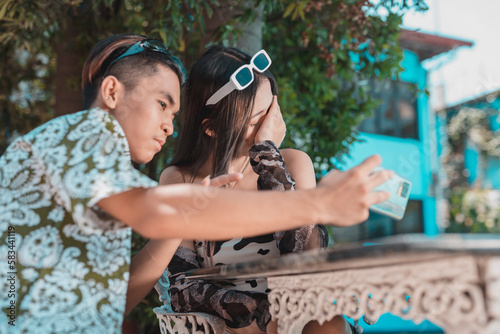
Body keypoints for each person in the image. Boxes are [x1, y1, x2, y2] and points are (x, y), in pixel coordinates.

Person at [0, 33, 392, 334]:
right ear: (112, 91)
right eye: (161, 104)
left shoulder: (86, 160)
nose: (170, 126)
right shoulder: (75, 144)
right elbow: (158, 214)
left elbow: (114, 299)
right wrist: (320, 204)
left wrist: (186, 216)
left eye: (173, 110)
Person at [148, 45, 357, 334]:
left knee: (329, 324)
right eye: (258, 121)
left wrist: (268, 158)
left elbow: (308, 258)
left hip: (297, 316)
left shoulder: (293, 164)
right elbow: (182, 285)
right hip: (231, 323)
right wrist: (260, 314)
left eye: (271, 110)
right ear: (212, 128)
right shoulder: (180, 178)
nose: (268, 128)